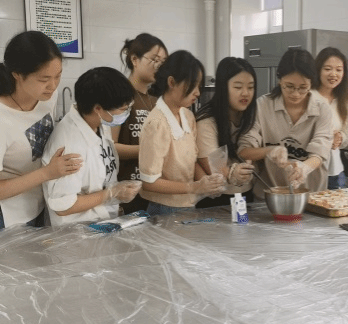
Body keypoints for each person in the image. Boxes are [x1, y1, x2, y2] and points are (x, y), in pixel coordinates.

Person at [0, 31, 82, 229]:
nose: (52, 86)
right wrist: (47, 173)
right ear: (17, 75)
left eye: (58, 76)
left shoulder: (48, 98)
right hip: (9, 215)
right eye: (43, 79)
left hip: (41, 201)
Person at [42, 67, 142, 226]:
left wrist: (115, 194)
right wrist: (111, 194)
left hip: (102, 222)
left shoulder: (99, 124)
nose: (126, 113)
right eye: (123, 109)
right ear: (98, 109)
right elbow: (63, 206)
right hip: (78, 230)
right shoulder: (71, 145)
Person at [138, 50, 226, 216]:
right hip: (163, 208)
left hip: (187, 204)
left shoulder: (188, 116)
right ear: (172, 82)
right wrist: (194, 187)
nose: (197, 92)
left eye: (199, 86)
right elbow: (149, 182)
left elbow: (192, 161)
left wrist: (207, 183)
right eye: (193, 85)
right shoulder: (156, 124)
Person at [238, 48, 333, 196]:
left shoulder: (323, 109)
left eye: (303, 88)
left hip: (312, 196)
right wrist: (270, 151)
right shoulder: (262, 106)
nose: (296, 94)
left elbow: (319, 154)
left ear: (311, 83)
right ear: (280, 79)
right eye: (289, 86)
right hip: (269, 196)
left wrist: (304, 168)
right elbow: (244, 150)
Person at [112, 33, 168, 214]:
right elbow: (111, 147)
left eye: (163, 62)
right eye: (155, 60)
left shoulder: (156, 100)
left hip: (154, 192)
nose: (159, 66)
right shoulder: (120, 96)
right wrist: (148, 150)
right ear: (135, 59)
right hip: (129, 192)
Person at [195, 57, 256, 208]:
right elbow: (212, 167)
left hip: (246, 196)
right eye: (238, 87)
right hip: (216, 201)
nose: (245, 93)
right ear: (223, 87)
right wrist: (232, 173)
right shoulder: (207, 121)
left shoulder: (252, 117)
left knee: (245, 225)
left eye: (250, 87)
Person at [313, 47, 348, 189]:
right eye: (327, 69)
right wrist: (326, 138)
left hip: (335, 171)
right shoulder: (309, 96)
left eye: (339, 70)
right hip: (311, 169)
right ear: (318, 70)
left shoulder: (345, 101)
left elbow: (346, 131)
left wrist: (340, 137)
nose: (333, 74)